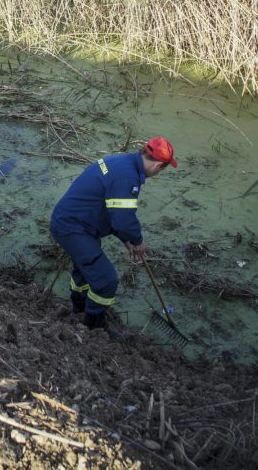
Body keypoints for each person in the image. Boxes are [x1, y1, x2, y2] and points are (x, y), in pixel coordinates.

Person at [50, 137, 179, 340]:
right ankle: (94, 327)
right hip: (73, 228)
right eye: (162, 170)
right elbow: (123, 219)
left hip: (74, 222)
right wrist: (137, 241)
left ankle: (79, 308)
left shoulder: (123, 162)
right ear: (157, 165)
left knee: (85, 271)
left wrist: (125, 239)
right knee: (106, 280)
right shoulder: (128, 177)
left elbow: (112, 211)